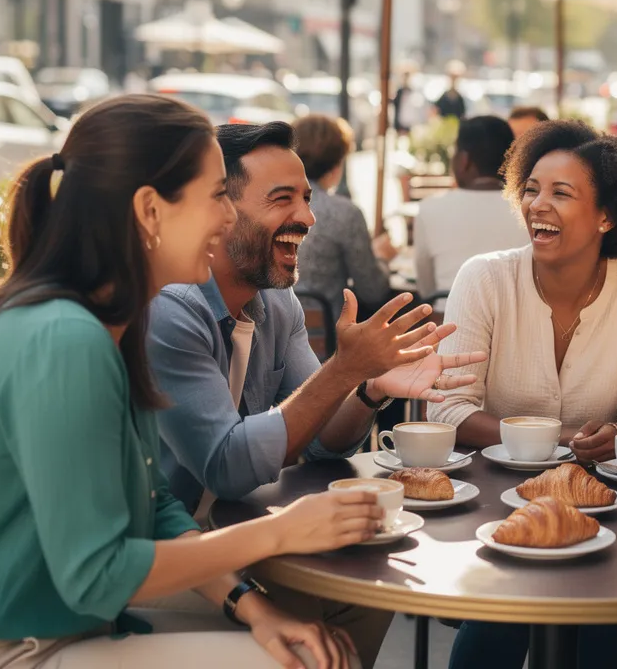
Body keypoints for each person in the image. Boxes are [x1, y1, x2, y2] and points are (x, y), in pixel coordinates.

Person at [0, 95, 380, 668]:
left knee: (305, 646)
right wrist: (278, 534)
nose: (225, 218)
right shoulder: (64, 338)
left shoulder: (111, 321)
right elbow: (97, 575)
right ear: (150, 211)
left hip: (55, 624)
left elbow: (155, 503)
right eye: (216, 195)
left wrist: (249, 604)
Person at [147, 120, 486, 668]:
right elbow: (228, 467)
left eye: (306, 198)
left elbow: (325, 443)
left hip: (235, 541)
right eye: (283, 200)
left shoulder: (274, 303)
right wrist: (343, 370)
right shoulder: (173, 308)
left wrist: (368, 389)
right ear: (218, 209)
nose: (308, 217)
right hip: (174, 558)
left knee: (366, 587)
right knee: (326, 632)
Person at [429, 119, 617, 669]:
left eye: (561, 193)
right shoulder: (485, 278)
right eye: (532, 189)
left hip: (604, 501)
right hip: (490, 498)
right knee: (496, 622)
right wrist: (563, 438)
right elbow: (448, 408)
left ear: (607, 216)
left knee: (604, 630)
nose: (537, 205)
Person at [292, 115, 397, 319]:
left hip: (271, 332)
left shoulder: (269, 203)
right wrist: (382, 257)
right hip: (328, 339)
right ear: (337, 164)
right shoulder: (345, 213)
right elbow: (373, 290)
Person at [412, 115, 524, 300]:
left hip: (447, 322)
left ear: (464, 160)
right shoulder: (529, 209)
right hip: (513, 324)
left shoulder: (430, 209)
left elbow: (426, 289)